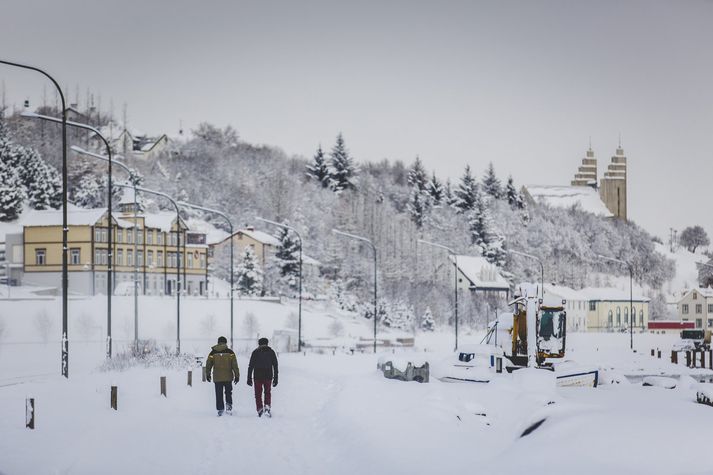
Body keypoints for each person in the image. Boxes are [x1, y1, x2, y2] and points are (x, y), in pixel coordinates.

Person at [206, 336, 240, 417]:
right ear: (225, 342)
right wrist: (237, 375)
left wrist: (208, 374)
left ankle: (220, 409)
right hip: (228, 377)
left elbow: (208, 364)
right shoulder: (230, 352)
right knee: (228, 392)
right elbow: (234, 364)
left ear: (218, 342)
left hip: (217, 377)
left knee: (219, 394)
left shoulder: (212, 353)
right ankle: (228, 407)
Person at [247, 337, 278, 417]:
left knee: (258, 394)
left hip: (257, 376)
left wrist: (249, 378)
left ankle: (260, 409)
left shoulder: (255, 352)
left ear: (259, 344)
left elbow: (251, 366)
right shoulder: (271, 352)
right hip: (268, 376)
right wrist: (276, 378)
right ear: (267, 343)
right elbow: (275, 365)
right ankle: (267, 407)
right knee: (267, 392)